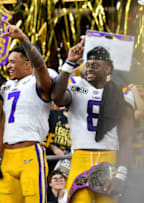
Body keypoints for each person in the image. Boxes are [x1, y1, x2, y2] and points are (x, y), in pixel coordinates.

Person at [52, 39, 135, 202]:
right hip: (80, 156)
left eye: (95, 65)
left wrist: (122, 174)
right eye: (88, 64)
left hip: (108, 156)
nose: (89, 68)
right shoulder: (78, 86)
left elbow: (126, 138)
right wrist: (69, 63)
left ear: (108, 69)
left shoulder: (122, 93)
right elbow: (57, 97)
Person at [0, 21, 56, 203]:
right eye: (8, 62)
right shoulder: (8, 86)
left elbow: (41, 67)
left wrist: (23, 39)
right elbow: (3, 125)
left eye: (13, 62)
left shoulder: (38, 82)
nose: (9, 66)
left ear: (28, 65)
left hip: (30, 153)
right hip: (8, 157)